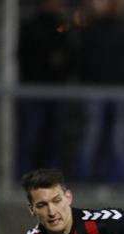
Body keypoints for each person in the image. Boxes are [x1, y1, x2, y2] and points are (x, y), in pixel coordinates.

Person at [75, 0, 124, 184]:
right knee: (92, 137)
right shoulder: (93, 30)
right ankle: (86, 180)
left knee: (121, 140)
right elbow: (85, 59)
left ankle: (123, 181)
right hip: (97, 89)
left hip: (122, 90)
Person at [18, 0, 74, 176]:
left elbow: (72, 55)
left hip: (57, 91)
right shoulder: (32, 26)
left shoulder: (64, 27)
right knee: (30, 138)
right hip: (34, 90)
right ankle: (25, 175)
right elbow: (25, 55)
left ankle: (51, 178)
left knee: (55, 139)